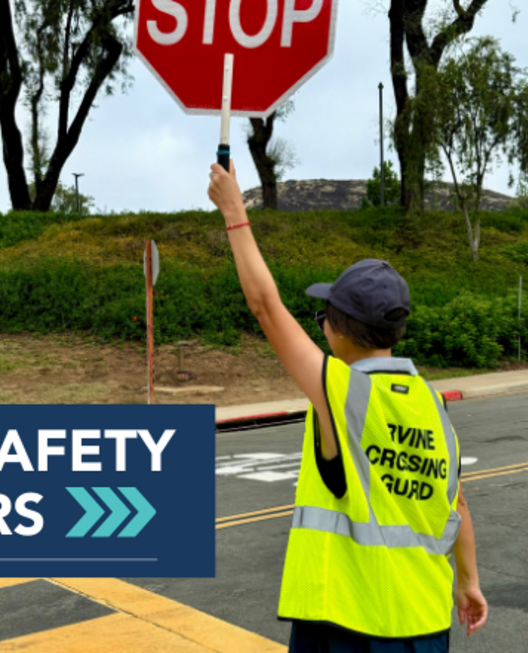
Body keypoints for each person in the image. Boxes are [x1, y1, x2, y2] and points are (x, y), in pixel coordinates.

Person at [207, 161, 488, 652]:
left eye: (323, 317)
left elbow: (265, 307)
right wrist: (468, 583)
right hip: (425, 624)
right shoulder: (434, 407)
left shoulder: (340, 391)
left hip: (347, 625)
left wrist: (234, 210)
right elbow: (457, 504)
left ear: (336, 329)